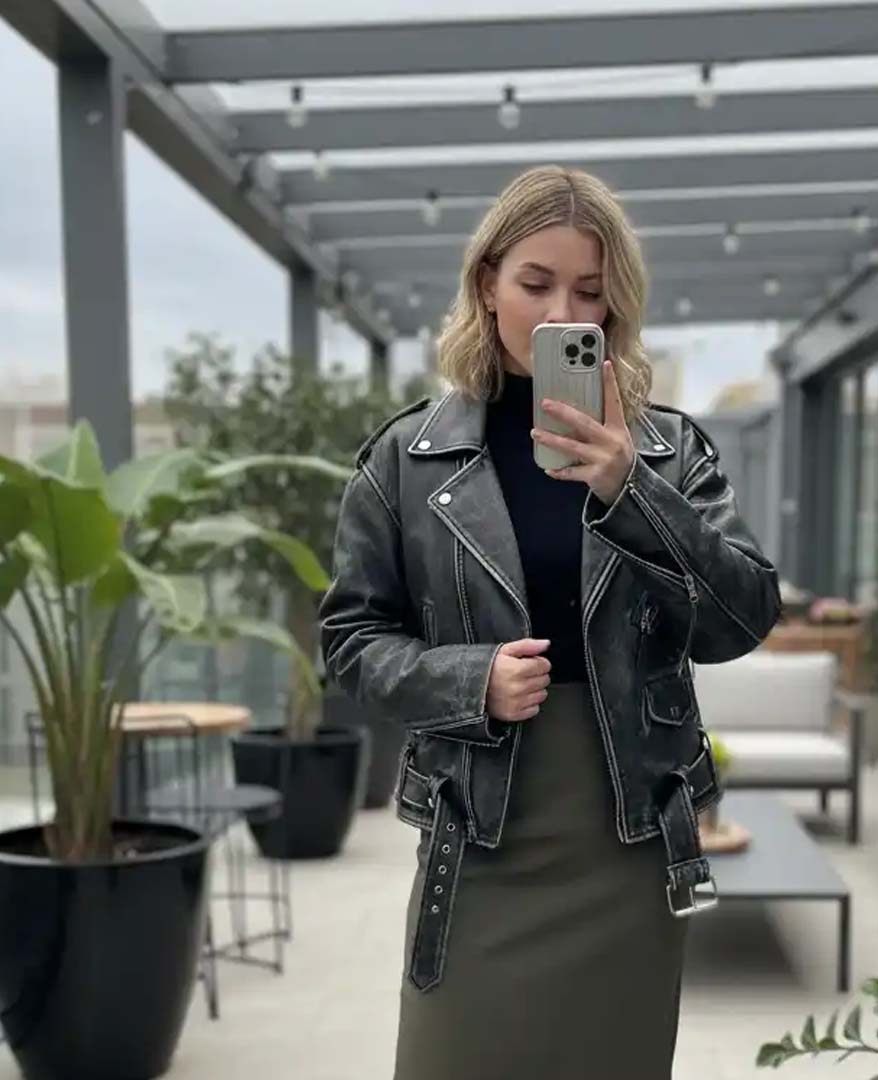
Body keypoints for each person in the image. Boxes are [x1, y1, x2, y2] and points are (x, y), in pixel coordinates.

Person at [319, 165, 781, 1080]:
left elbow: (740, 619)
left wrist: (630, 488)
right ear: (487, 283)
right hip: (479, 832)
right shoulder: (406, 458)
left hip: (627, 840)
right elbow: (350, 640)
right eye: (535, 283)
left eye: (589, 293)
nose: (561, 311)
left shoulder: (669, 452)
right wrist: (470, 680)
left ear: (616, 307)